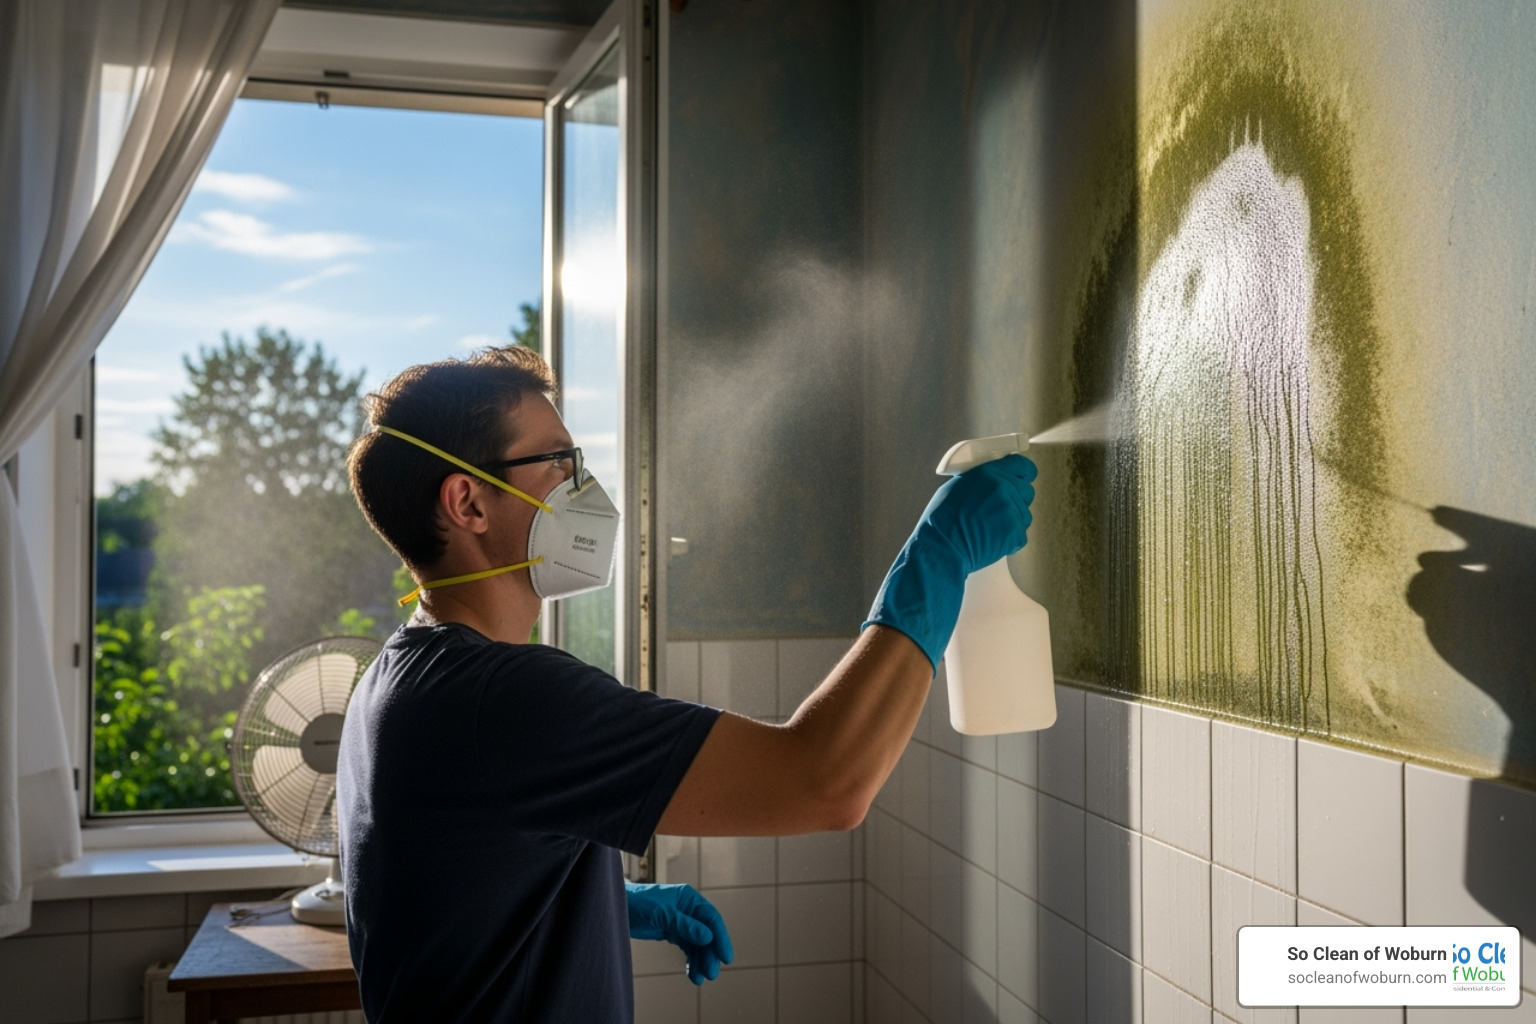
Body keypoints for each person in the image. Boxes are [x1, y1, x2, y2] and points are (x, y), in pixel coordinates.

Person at [338, 345, 1036, 1022]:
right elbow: (825, 779)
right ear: (468, 503)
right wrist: (936, 558)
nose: (583, 485)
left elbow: (459, 876)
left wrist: (607, 901)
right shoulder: (502, 698)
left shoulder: (397, 677)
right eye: (557, 461)